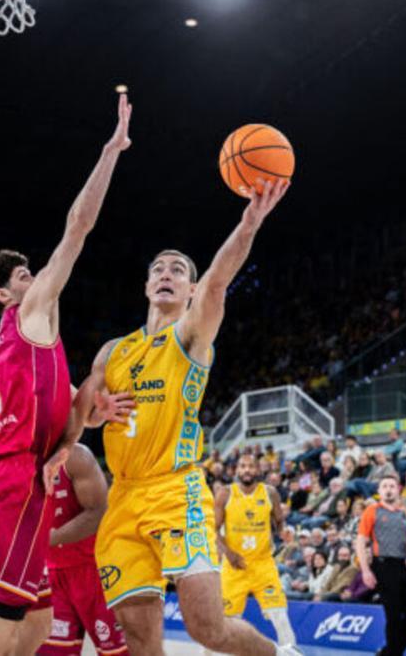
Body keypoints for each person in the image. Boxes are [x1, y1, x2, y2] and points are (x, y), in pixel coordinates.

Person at [85, 178, 293, 656]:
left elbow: (219, 279)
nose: (166, 273)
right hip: (123, 500)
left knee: (207, 629)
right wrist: (95, 412)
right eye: (158, 268)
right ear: (145, 285)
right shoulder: (114, 352)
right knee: (139, 638)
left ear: (190, 289)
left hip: (176, 492)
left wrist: (249, 223)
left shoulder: (192, 333)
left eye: (178, 270)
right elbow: (90, 418)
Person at [0, 93, 133, 656]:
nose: (38, 275)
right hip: (12, 483)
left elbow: (63, 417)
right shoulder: (26, 315)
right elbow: (77, 227)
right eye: (25, 273)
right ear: (5, 294)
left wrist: (87, 408)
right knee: (4, 628)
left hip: (22, 477)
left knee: (36, 625)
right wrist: (111, 152)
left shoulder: (34, 340)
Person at [32, 444, 126, 656]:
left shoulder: (76, 456)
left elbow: (97, 512)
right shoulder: (21, 461)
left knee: (117, 651)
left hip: (95, 570)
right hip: (52, 573)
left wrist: (46, 540)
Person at [212, 454, 296, 653]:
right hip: (234, 567)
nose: (247, 470)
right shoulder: (225, 493)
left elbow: (279, 522)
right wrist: (229, 553)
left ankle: (291, 652)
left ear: (258, 470)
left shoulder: (270, 493)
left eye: (251, 466)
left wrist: (284, 531)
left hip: (263, 564)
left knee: (280, 616)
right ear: (236, 470)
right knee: (225, 622)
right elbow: (212, 530)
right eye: (243, 466)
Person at [355, 475, 406, 656]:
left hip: (402, 565)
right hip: (383, 565)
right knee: (393, 616)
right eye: (384, 486)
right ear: (379, 491)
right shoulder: (372, 510)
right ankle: (393, 654)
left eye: (392, 486)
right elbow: (361, 541)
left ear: (398, 489)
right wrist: (365, 570)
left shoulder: (404, 513)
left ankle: (389, 652)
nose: (388, 489)